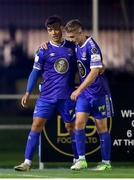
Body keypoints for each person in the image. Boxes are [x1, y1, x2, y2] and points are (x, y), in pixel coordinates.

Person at [14, 15, 78, 171]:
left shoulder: (72, 47)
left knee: (71, 127)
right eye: (50, 30)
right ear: (47, 32)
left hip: (67, 96)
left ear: (62, 28)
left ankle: (78, 160)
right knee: (36, 125)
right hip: (47, 97)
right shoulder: (43, 50)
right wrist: (28, 92)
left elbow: (86, 56)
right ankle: (27, 162)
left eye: (56, 29)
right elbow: (34, 73)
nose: (54, 32)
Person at [65, 19, 114, 170]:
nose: (71, 40)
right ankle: (81, 160)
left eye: (73, 37)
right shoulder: (77, 45)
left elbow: (94, 72)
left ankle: (106, 163)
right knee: (78, 124)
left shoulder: (92, 47)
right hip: (85, 94)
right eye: (69, 37)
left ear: (81, 32)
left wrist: (78, 89)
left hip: (98, 92)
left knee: (101, 128)